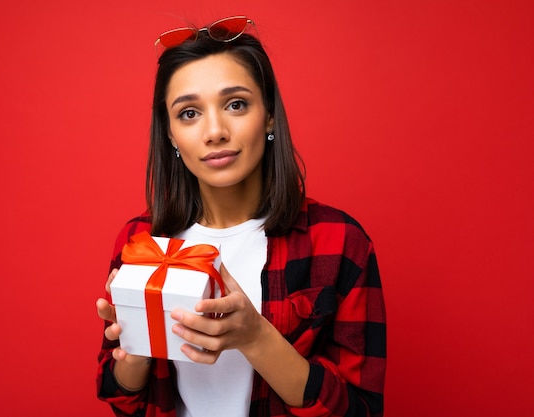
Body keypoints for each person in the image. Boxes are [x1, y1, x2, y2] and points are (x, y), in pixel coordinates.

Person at [96, 16, 386, 417]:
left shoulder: (339, 241)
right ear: (169, 134)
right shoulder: (141, 241)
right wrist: (135, 346)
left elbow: (360, 411)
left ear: (268, 115)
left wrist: (255, 336)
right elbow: (122, 399)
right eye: (189, 113)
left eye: (236, 104)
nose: (214, 131)